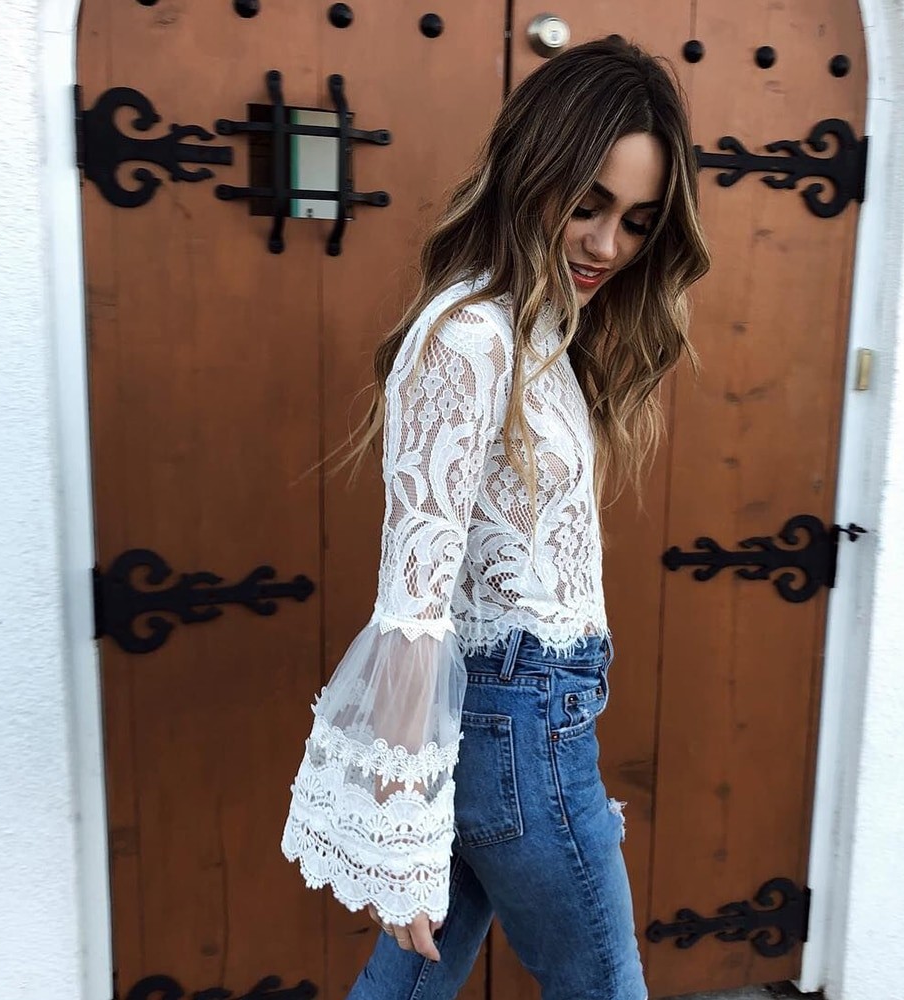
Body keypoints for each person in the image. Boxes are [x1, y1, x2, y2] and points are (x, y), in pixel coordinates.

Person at [281, 34, 709, 1000]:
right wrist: (399, 830)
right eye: (588, 204)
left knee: (411, 984)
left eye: (637, 222)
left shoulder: (540, 329)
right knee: (604, 985)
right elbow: (414, 602)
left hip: (520, 723)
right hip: (519, 727)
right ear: (532, 169)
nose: (608, 245)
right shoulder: (471, 335)